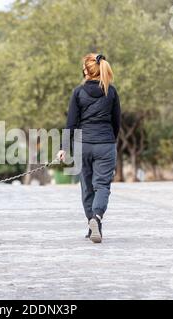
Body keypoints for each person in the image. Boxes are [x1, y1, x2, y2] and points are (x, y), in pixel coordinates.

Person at [57, 53, 121, 244]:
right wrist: (111, 140)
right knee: (102, 185)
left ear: (86, 70)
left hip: (83, 145)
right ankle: (97, 219)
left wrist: (63, 148)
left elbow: (71, 123)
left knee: (86, 186)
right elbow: (116, 121)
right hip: (105, 144)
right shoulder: (111, 91)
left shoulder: (78, 92)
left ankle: (92, 223)